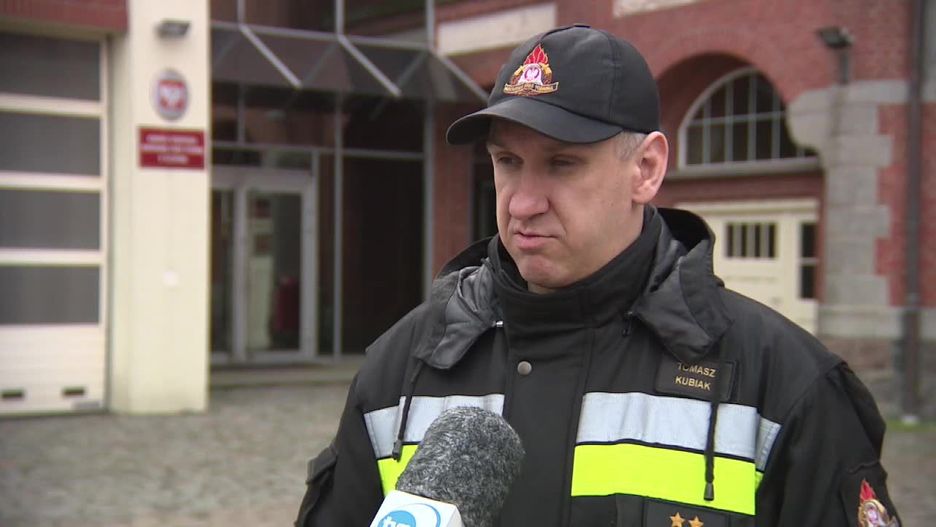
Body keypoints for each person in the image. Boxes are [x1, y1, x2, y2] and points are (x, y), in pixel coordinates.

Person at [295, 25, 901, 527]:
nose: (523, 201)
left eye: (562, 164)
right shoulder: (402, 366)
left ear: (646, 169)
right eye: (508, 161)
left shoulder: (782, 383)